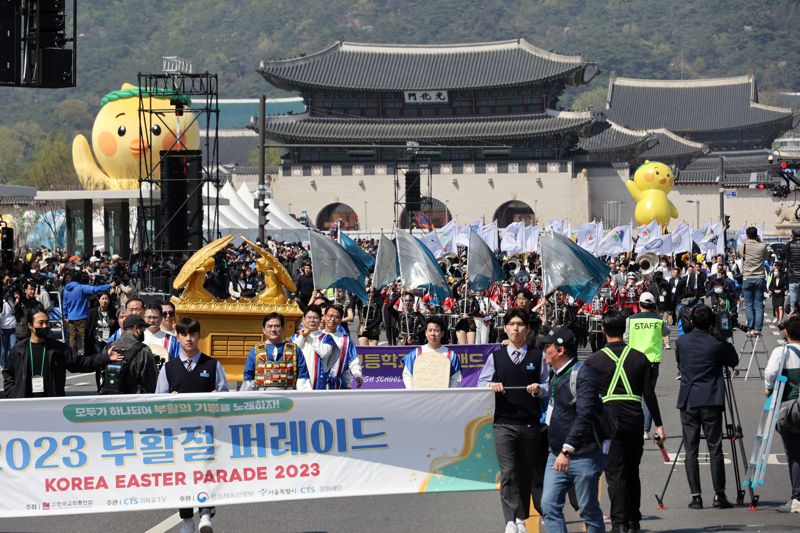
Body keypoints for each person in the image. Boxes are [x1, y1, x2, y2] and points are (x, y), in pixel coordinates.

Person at [586, 311, 665, 533]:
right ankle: (633, 520)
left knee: (615, 473)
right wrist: (658, 424)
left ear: (603, 332)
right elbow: (649, 395)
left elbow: (587, 397)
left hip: (608, 423)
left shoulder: (594, 361)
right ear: (624, 331)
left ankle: (619, 523)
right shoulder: (640, 357)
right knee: (632, 471)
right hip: (634, 420)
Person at [155, 316, 228, 533]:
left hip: (208, 433)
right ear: (177, 337)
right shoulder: (169, 368)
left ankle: (206, 513)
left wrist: (218, 397)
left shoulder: (213, 365)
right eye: (184, 334)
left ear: (199, 336)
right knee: (183, 475)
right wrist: (170, 400)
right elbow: (159, 401)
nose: (189, 338)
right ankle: (186, 518)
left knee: (207, 471)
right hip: (180, 435)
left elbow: (225, 396)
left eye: (193, 333)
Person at [478, 309, 548, 533]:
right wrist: (491, 385)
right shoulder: (495, 357)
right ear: (505, 328)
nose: (516, 328)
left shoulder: (538, 356)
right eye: (512, 324)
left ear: (527, 328)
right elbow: (481, 383)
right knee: (508, 472)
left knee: (525, 472)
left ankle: (521, 516)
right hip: (503, 424)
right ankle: (510, 518)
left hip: (530, 424)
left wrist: (539, 389)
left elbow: (548, 386)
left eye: (520, 324)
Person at [539, 326, 606, 533]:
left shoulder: (583, 374)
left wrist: (567, 449)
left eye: (547, 347)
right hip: (555, 454)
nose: (544, 352)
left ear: (560, 350)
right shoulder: (555, 373)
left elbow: (584, 415)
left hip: (582, 454)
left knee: (588, 510)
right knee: (549, 505)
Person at [675, 305, 739, 509]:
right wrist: (721, 336)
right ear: (711, 322)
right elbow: (734, 360)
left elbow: (680, 362)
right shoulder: (716, 342)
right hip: (711, 397)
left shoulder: (681, 342)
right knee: (715, 448)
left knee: (691, 449)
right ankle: (719, 494)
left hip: (689, 398)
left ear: (692, 322)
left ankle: (696, 496)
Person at [3, 306, 117, 397]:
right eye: (41, 323)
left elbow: (80, 363)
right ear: (30, 325)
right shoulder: (18, 350)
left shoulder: (58, 348)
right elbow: (9, 374)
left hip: (52, 402)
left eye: (47, 322)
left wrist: (105, 357)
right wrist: (13, 394)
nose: (45, 326)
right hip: (25, 404)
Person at [765, 316, 800, 513]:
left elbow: (770, 373)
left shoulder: (782, 351)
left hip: (790, 407)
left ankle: (798, 498)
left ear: (786, 333)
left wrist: (768, 388)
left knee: (794, 453)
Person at [624, 292, 669, 439]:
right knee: (649, 395)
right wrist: (657, 314)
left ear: (639, 304)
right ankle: (645, 429)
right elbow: (666, 332)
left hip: (633, 360)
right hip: (652, 361)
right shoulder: (659, 320)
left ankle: (634, 426)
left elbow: (626, 338)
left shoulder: (630, 319)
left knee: (634, 394)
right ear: (653, 305)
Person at [241, 312, 311, 391]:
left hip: (289, 398)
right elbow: (248, 378)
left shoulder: (295, 350)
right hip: (262, 399)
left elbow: (303, 378)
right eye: (269, 326)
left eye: (277, 326)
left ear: (283, 328)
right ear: (264, 329)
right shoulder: (255, 351)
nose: (273, 329)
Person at [308, 304, 363, 389]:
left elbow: (353, 360)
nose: (332, 319)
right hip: (316, 384)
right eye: (330, 316)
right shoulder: (315, 337)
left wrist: (357, 374)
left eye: (337, 317)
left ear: (341, 320)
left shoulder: (346, 340)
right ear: (324, 317)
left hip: (338, 385)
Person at [100, 315, 159, 394]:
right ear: (136, 328)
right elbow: (152, 381)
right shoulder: (143, 350)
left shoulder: (108, 347)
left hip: (109, 397)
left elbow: (100, 375)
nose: (143, 332)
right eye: (143, 329)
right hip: (134, 400)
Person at [62, 271, 114, 353]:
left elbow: (64, 304)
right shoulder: (81, 287)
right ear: (80, 278)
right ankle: (85, 356)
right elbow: (95, 289)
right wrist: (109, 285)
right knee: (85, 338)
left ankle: (72, 356)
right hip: (82, 317)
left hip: (71, 317)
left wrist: (65, 317)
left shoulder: (66, 289)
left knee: (72, 338)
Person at [402, 316, 461, 388]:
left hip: (443, 397)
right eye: (430, 330)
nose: (432, 334)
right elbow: (407, 375)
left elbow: (456, 379)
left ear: (442, 333)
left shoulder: (451, 355)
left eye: (436, 331)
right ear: (426, 333)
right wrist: (413, 392)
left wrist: (448, 396)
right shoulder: (416, 353)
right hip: (420, 397)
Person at [739, 226, 769, 337]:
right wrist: (759, 242)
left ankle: (750, 328)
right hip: (759, 277)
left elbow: (740, 255)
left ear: (747, 235)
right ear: (756, 235)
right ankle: (758, 329)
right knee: (759, 305)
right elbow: (766, 256)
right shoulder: (762, 246)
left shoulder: (743, 246)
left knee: (748, 305)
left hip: (747, 277)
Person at [781, 227, 800, 313]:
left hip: (793, 276)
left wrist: (789, 241)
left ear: (793, 235)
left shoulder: (789, 244)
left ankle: (794, 321)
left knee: (793, 301)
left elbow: (781, 254)